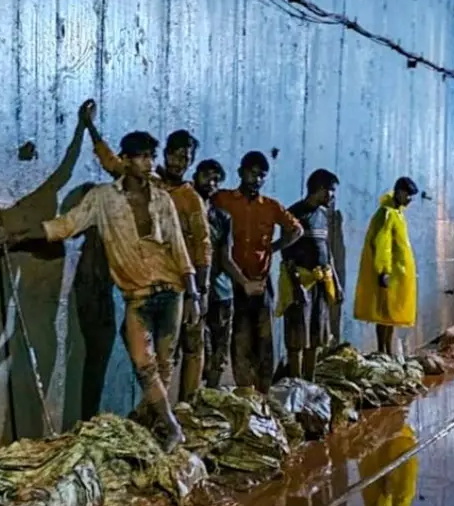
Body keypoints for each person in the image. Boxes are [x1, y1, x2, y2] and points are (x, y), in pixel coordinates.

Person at [0, 102, 199, 450]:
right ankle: (171, 426)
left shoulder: (163, 199)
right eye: (142, 157)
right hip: (137, 295)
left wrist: (194, 294)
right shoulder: (103, 199)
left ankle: (161, 430)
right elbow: (65, 226)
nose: (150, 163)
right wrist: (17, 236)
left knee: (165, 367)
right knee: (144, 366)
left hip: (173, 291)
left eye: (152, 156)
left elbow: (180, 249)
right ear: (126, 159)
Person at [91, 125, 211, 402]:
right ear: (165, 155)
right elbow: (113, 163)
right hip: (149, 282)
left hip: (181, 283)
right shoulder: (149, 182)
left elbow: (203, 246)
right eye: (176, 156)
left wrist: (198, 292)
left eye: (186, 159)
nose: (180, 163)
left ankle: (178, 412)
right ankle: (157, 414)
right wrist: (92, 130)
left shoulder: (191, 199)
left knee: (181, 351)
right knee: (147, 354)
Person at [212, 151, 304, 391]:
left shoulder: (271, 206)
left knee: (265, 340)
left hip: (261, 282)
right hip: (232, 281)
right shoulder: (223, 200)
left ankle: (263, 392)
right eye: (253, 174)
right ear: (241, 172)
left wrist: (273, 248)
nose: (257, 180)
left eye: (262, 176)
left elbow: (296, 230)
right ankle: (245, 391)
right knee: (240, 337)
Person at [192, 159, 251, 389]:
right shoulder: (182, 208)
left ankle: (211, 399)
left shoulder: (222, 218)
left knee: (219, 351)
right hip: (193, 293)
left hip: (221, 292)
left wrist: (244, 283)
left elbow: (226, 258)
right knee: (195, 351)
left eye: (216, 179)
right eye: (207, 176)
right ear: (196, 176)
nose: (211, 182)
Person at [278, 170, 343, 381]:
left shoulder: (324, 216)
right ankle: (295, 382)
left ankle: (309, 381)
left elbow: (327, 251)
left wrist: (336, 283)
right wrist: (296, 286)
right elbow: (286, 254)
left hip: (321, 282)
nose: (332, 196)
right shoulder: (294, 214)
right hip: (299, 282)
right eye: (330, 191)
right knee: (297, 336)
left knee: (316, 335)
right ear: (319, 189)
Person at [354, 177, 419, 355]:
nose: (409, 200)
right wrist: (384, 271)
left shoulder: (398, 213)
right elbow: (382, 244)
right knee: (383, 314)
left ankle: (387, 351)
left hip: (397, 273)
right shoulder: (387, 213)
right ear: (399, 192)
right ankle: (383, 350)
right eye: (408, 195)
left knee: (391, 316)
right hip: (389, 273)